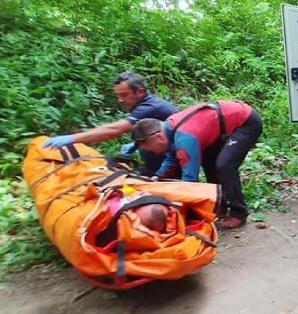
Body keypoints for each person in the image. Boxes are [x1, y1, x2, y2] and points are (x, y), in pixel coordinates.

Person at [132, 101, 263, 229]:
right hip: (219, 127)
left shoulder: (185, 139)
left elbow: (190, 182)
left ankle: (238, 212)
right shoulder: (169, 130)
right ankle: (220, 204)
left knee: (225, 165)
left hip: (245, 122)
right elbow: (171, 159)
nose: (155, 152)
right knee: (209, 161)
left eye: (151, 149)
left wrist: (179, 211)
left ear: (159, 137)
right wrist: (156, 178)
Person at [41, 72, 178, 176]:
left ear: (140, 92)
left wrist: (71, 139)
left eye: (124, 95)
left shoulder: (150, 106)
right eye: (118, 96)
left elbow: (115, 129)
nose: (120, 100)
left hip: (175, 159)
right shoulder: (144, 105)